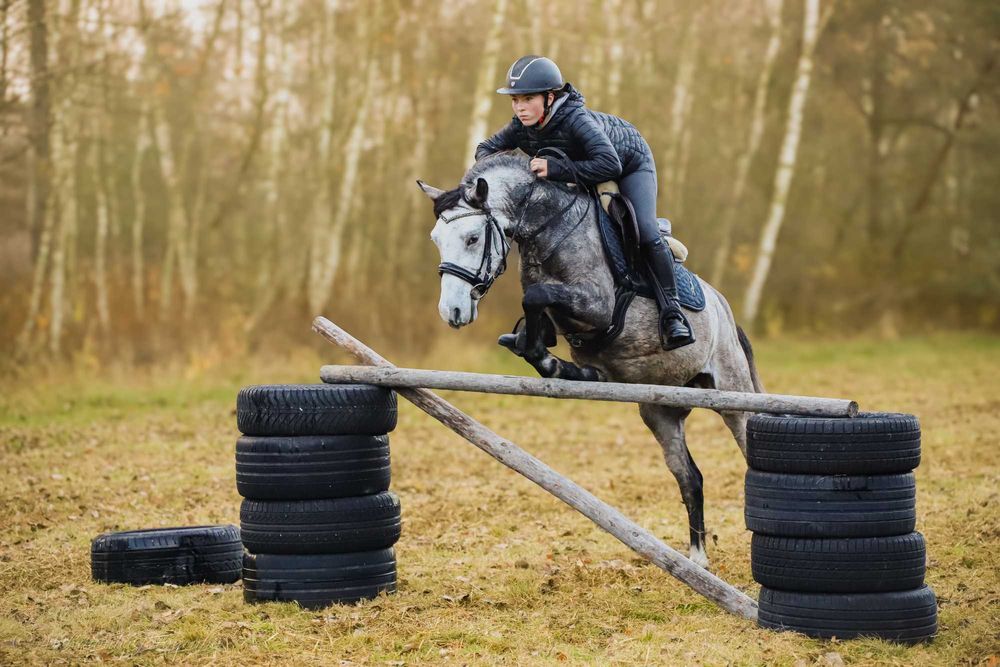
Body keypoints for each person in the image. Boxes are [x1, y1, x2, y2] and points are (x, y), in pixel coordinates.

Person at [476, 55, 694, 351]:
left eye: (527, 99)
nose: (520, 107)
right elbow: (485, 149)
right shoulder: (521, 125)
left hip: (628, 164)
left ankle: (672, 314)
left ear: (549, 97)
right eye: (515, 100)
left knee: (643, 230)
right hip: (586, 169)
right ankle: (541, 326)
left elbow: (610, 165)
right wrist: (510, 174)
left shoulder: (576, 119)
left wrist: (555, 170)